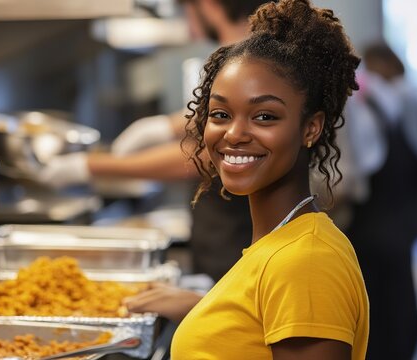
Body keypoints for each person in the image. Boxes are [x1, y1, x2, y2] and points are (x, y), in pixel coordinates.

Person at [154, 0, 368, 358]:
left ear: (310, 128)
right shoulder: (279, 243)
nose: (234, 134)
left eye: (265, 116)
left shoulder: (306, 262)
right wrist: (208, 309)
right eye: (220, 113)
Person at [40, 1, 271, 284]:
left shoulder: (254, 60)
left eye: (185, 10)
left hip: (243, 245)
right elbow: (223, 117)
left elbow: (217, 153)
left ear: (207, 4)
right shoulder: (250, 56)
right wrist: (164, 127)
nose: (187, 24)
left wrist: (95, 166)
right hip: (230, 243)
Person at [341, 42, 417, 360]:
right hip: (401, 224)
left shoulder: (373, 106)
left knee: (379, 315)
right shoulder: (410, 104)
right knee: (400, 308)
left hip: (373, 228)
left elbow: (352, 179)